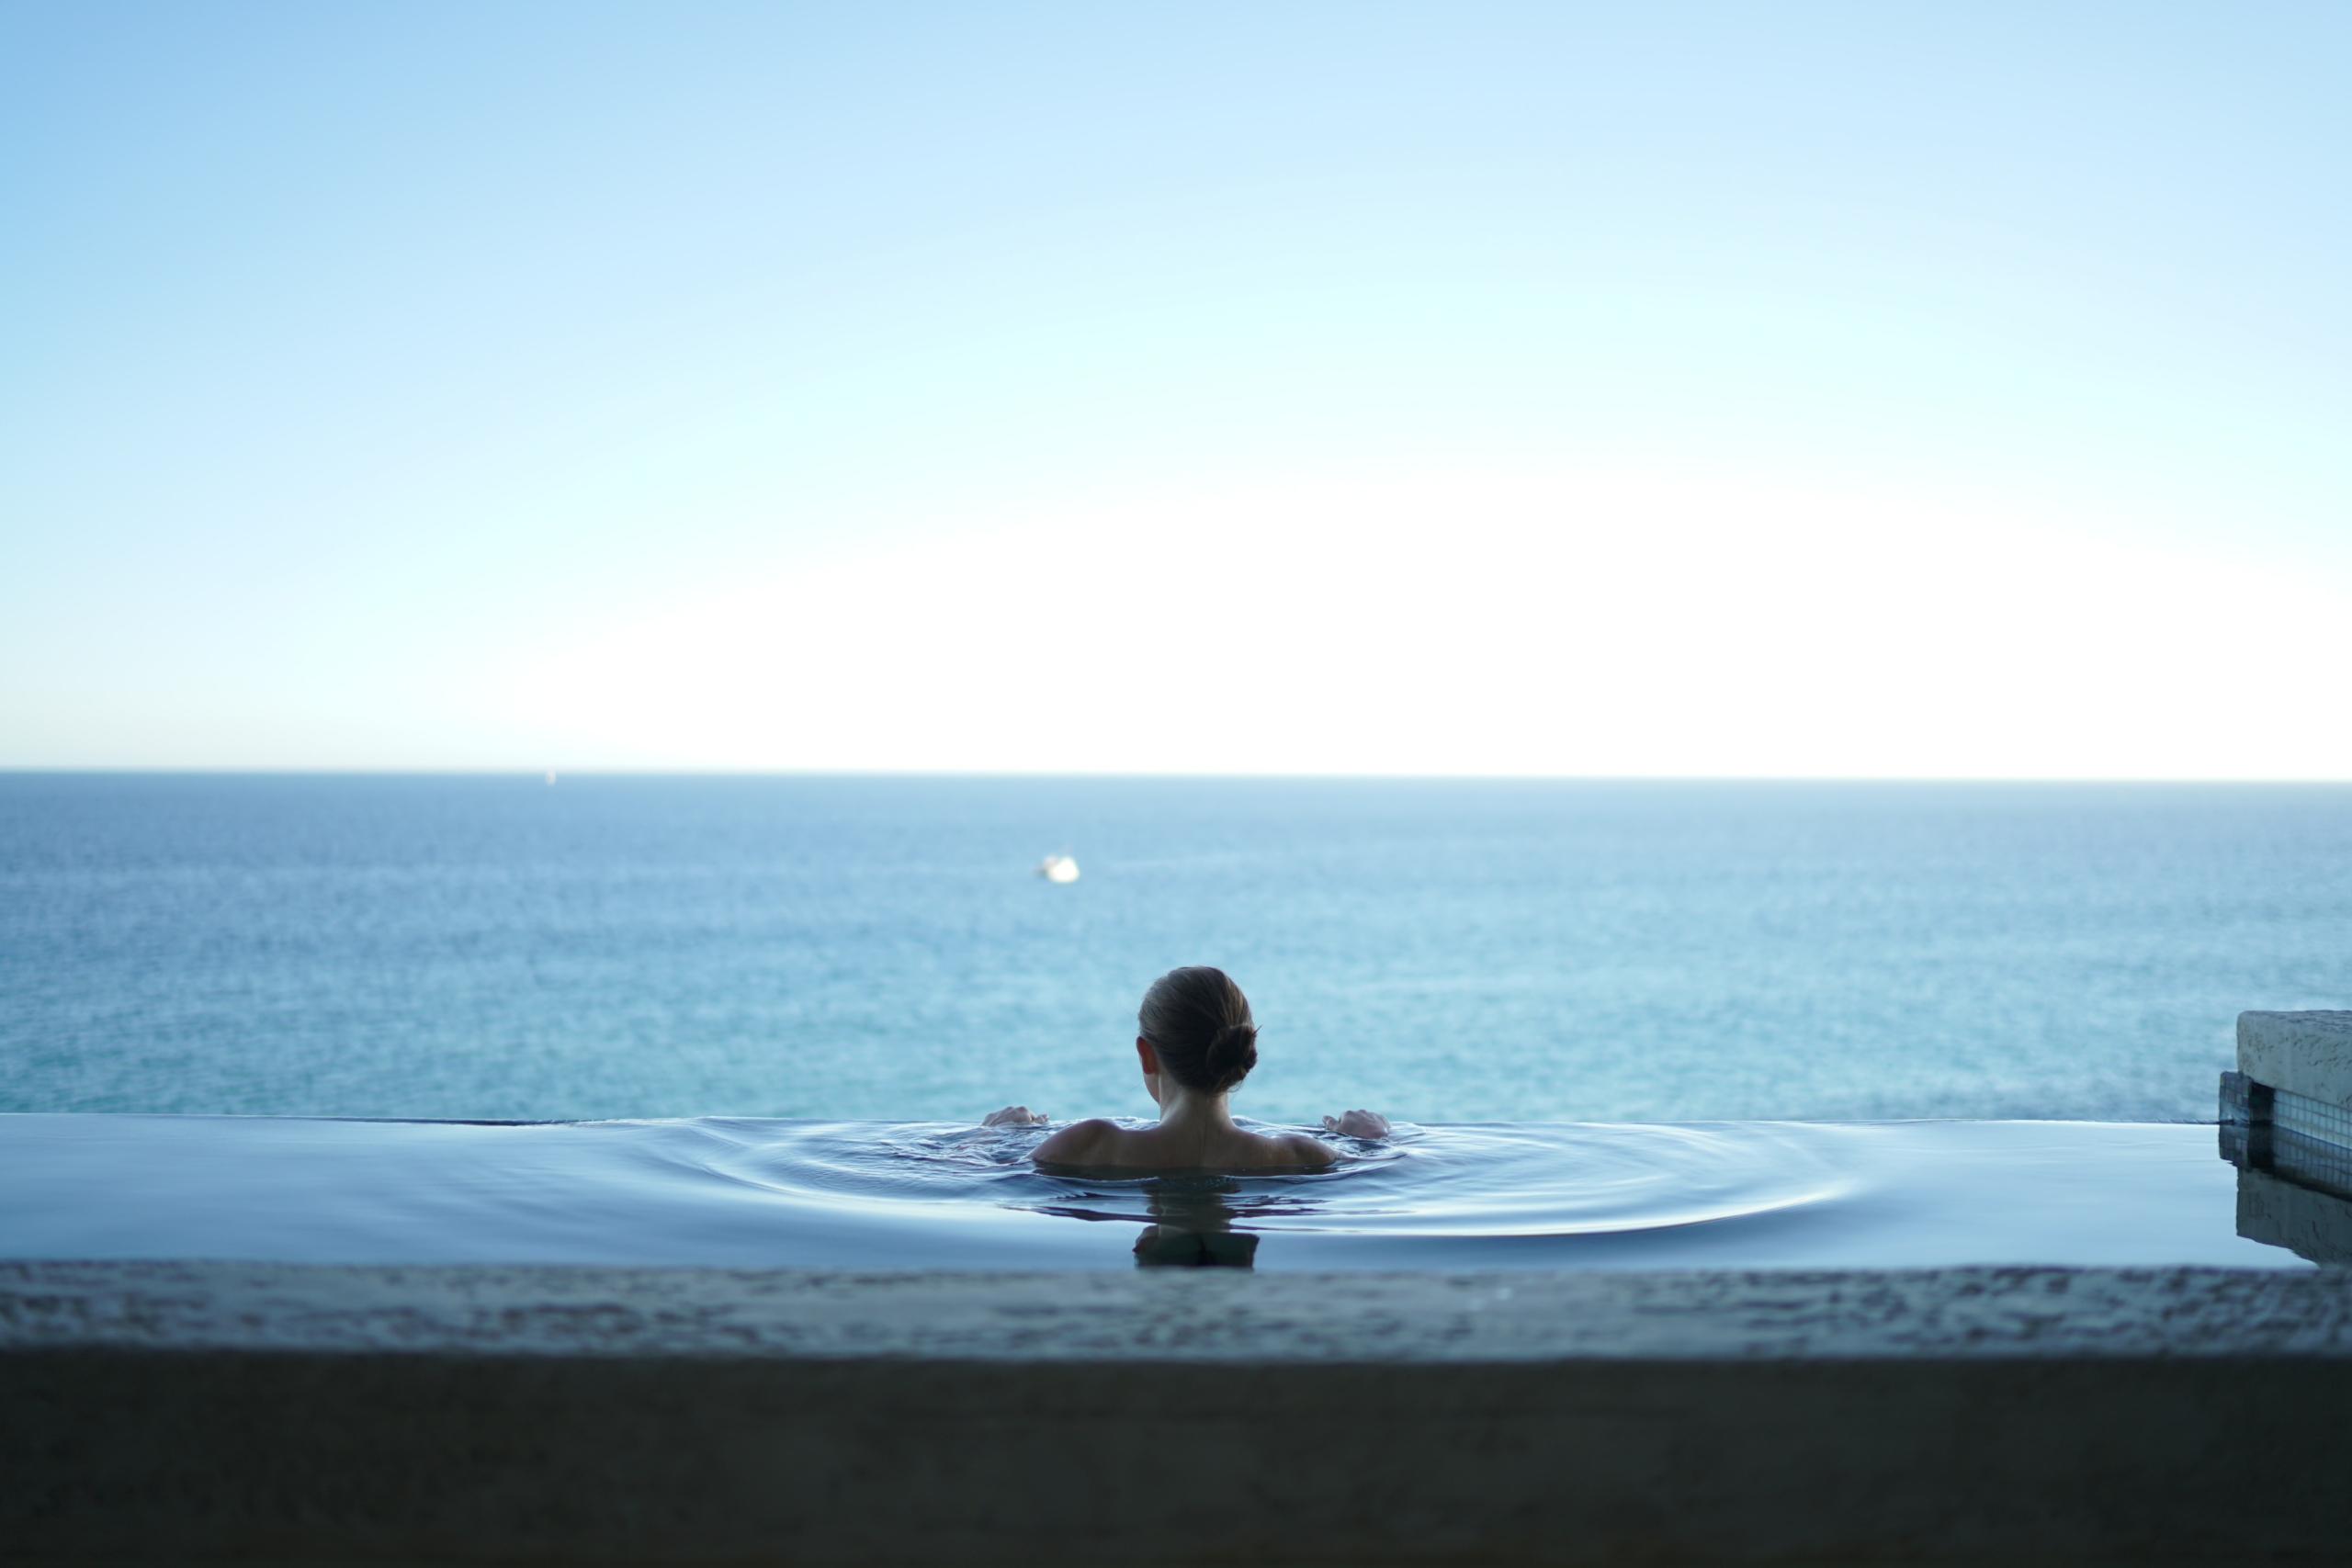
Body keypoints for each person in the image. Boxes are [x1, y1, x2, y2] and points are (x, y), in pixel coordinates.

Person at [984, 965, 1390, 1169]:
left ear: (1146, 1054)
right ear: (1242, 1053)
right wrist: (1371, 1140)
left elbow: (966, 1174)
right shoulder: (1300, 1155)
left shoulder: (1090, 1145)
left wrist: (993, 1138)